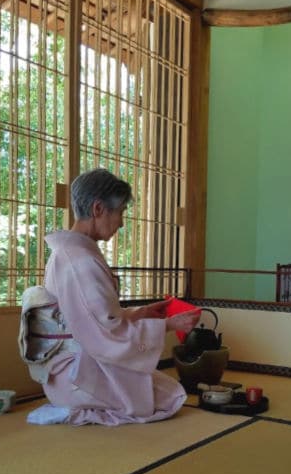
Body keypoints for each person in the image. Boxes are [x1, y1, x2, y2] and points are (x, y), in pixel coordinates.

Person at [25, 168, 199, 426]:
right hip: (75, 375)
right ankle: (73, 410)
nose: (121, 222)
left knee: (163, 390)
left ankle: (73, 405)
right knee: (169, 398)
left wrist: (140, 313)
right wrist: (169, 325)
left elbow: (92, 320)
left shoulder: (71, 253)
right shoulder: (79, 260)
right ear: (98, 209)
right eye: (119, 212)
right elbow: (104, 333)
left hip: (67, 369)